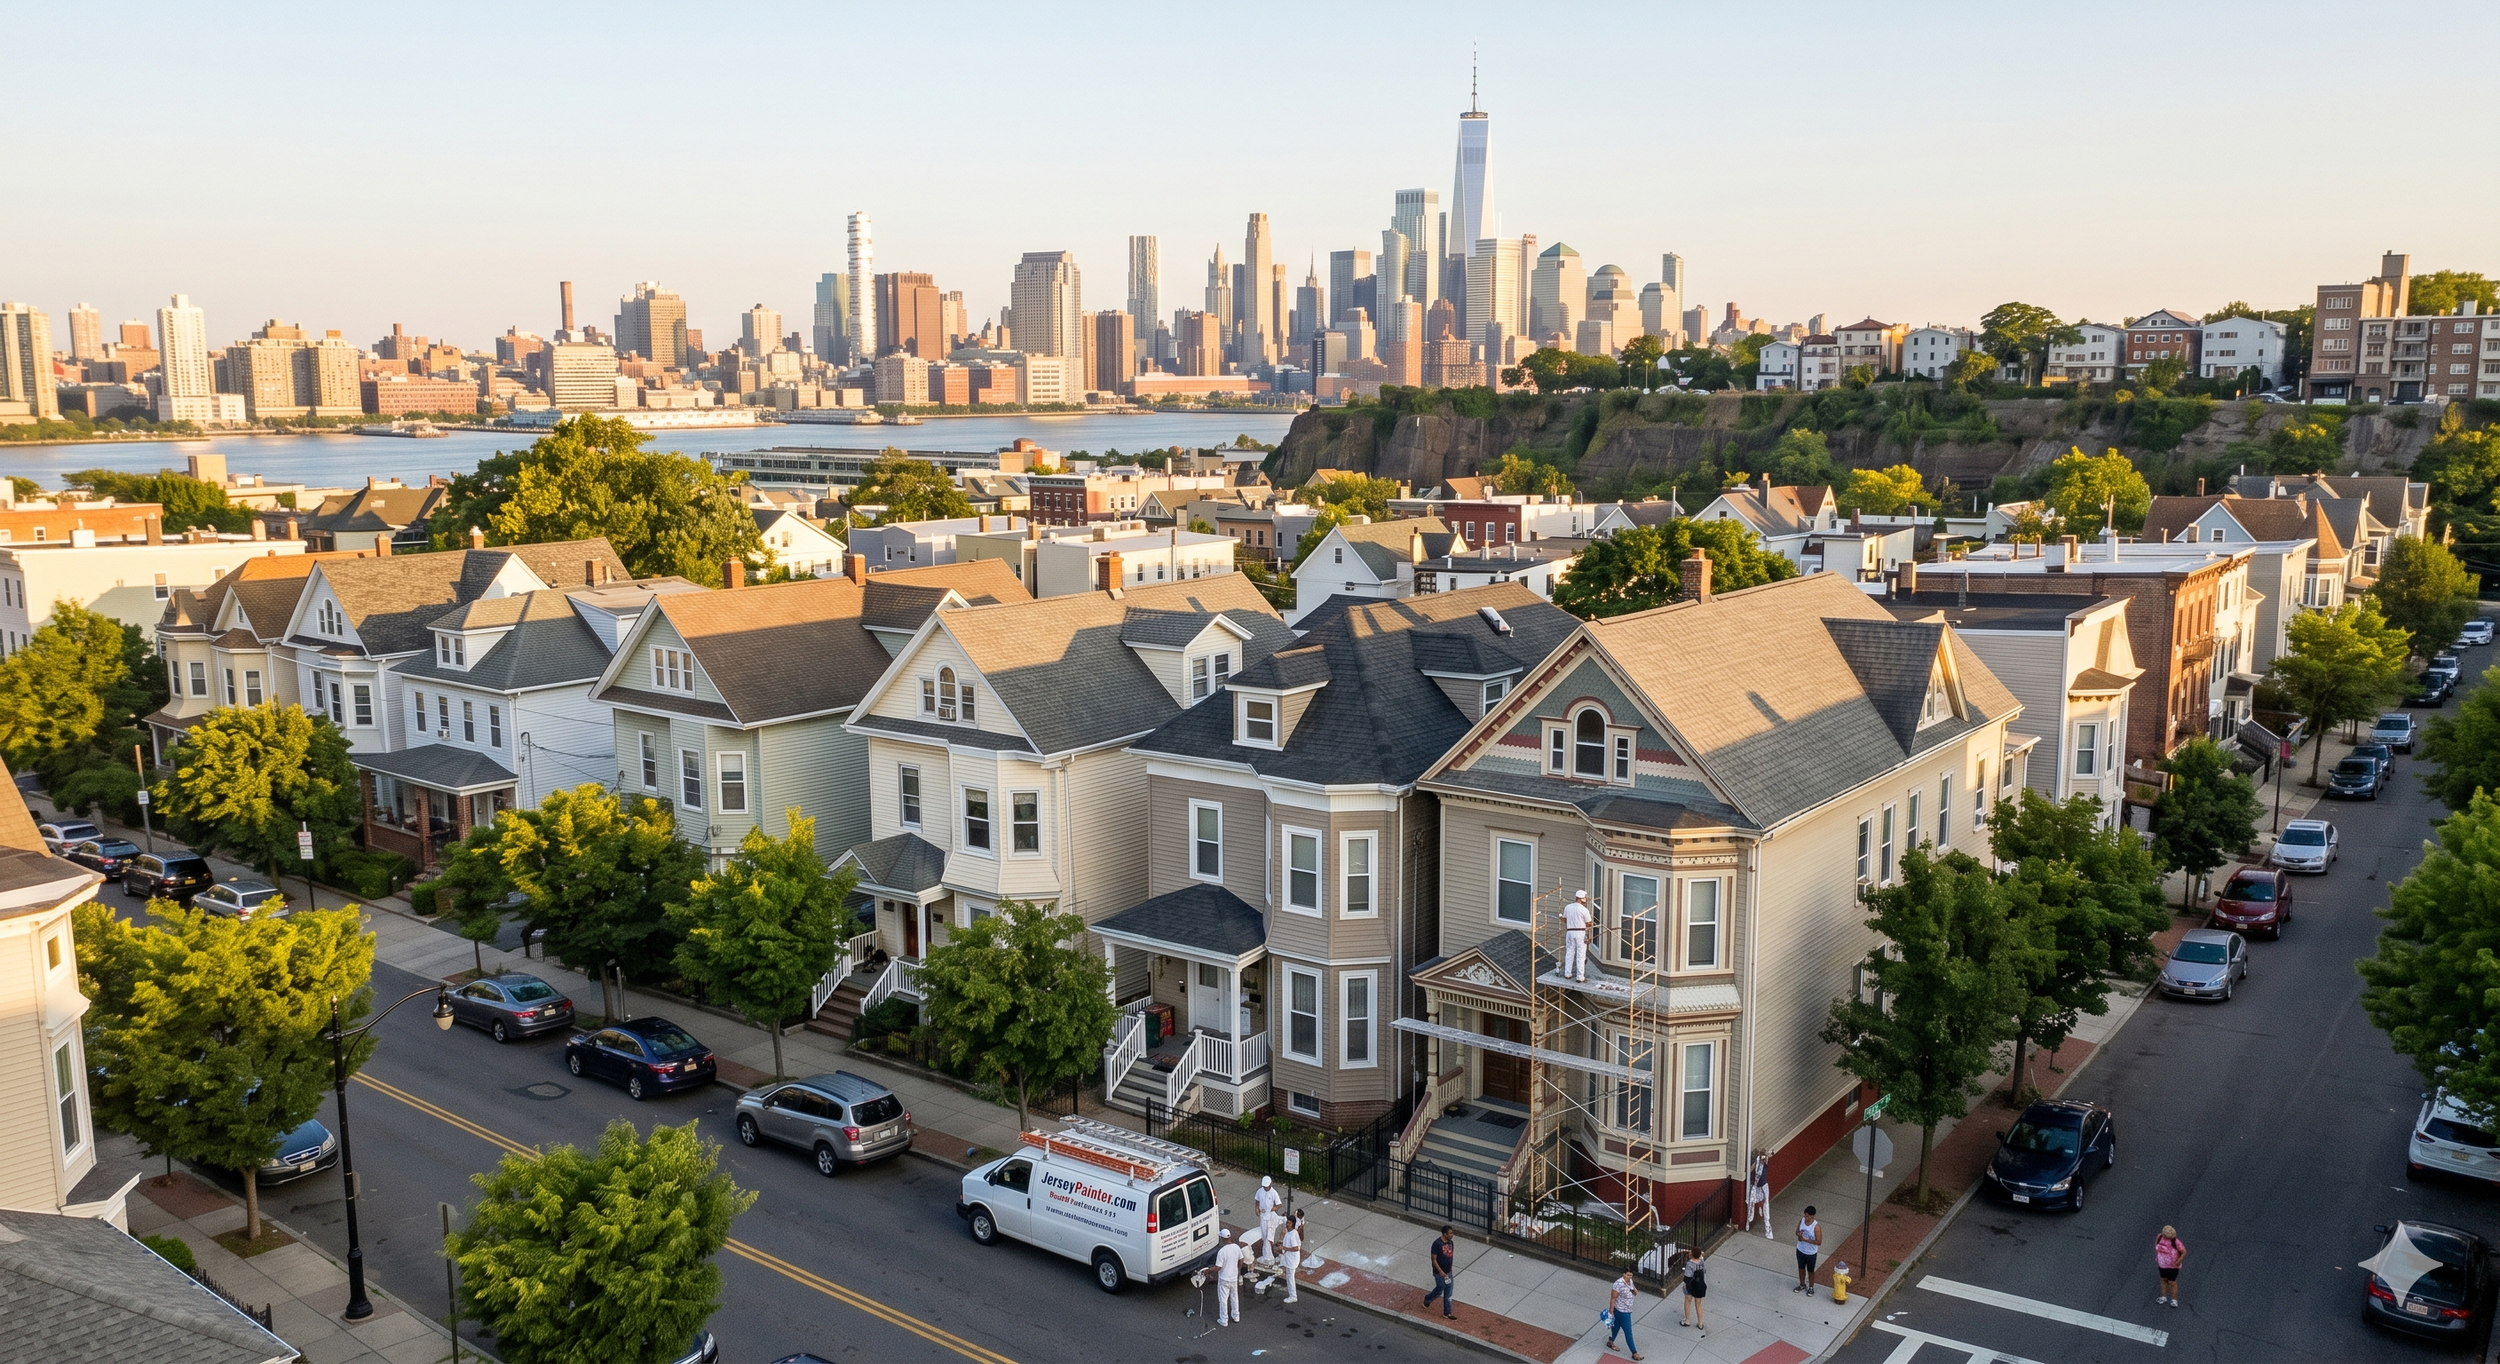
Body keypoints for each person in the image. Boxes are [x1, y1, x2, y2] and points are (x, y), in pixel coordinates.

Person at [1603, 1269, 1643, 1358]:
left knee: (1616, 1327)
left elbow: (1633, 1289)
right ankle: (1634, 1353)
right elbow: (1613, 1298)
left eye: (1631, 1275)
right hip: (1622, 1312)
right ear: (1624, 1274)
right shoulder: (1618, 1284)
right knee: (1628, 1332)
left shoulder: (1630, 1281)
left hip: (1627, 1310)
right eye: (1628, 1275)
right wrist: (1611, 1311)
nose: (1629, 1277)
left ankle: (1611, 1341)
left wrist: (1634, 1291)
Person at [1422, 1225, 1457, 1318]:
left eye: (1452, 1233)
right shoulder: (1437, 1244)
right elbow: (1434, 1259)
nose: (1452, 1235)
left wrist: (1450, 1268)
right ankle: (1428, 1299)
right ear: (1444, 1234)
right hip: (1439, 1272)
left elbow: (1450, 1256)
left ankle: (1447, 1312)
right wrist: (1440, 1271)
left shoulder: (1451, 1243)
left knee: (1449, 1292)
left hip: (1448, 1272)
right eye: (1450, 1233)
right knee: (1440, 1289)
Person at [1213, 1227, 1245, 1326]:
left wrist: (1209, 1270)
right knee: (1234, 1297)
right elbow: (1241, 1259)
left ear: (1222, 1238)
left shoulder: (1222, 1251)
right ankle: (1236, 1316)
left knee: (1223, 1299)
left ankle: (1224, 1320)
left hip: (1224, 1279)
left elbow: (1218, 1267)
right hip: (1233, 1277)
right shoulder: (1236, 1247)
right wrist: (1238, 1269)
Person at [1562, 890, 1593, 982]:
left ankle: (1567, 973)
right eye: (1585, 898)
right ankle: (1580, 977)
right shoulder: (1584, 910)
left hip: (1570, 932)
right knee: (1580, 954)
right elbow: (1588, 923)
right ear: (1581, 898)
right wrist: (1590, 923)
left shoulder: (1568, 907)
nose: (1585, 900)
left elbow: (1565, 919)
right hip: (1580, 932)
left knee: (1569, 952)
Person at [2154, 1226, 2186, 1308]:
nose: (2166, 1237)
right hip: (2162, 1265)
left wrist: (2179, 1261)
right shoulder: (2159, 1237)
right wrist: (2158, 1256)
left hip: (2172, 1266)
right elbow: (2156, 1246)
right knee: (2163, 1280)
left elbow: (2183, 1252)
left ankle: (2174, 1300)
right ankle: (2163, 1297)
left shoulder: (2176, 1242)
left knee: (2172, 1282)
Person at [1254, 1175, 1284, 1265]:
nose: (1265, 1188)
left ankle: (1268, 1258)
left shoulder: (1273, 1193)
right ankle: (1267, 1255)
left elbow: (1278, 1204)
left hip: (1270, 1217)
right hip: (1263, 1216)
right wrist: (1257, 1209)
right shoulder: (1260, 1191)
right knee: (1264, 1236)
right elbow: (1257, 1200)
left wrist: (1273, 1209)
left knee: (1268, 1238)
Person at [1745, 1151, 1773, 1239]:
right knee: (1751, 1203)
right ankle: (1748, 1221)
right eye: (1762, 1156)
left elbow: (1771, 1154)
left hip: (1763, 1186)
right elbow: (1750, 1170)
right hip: (1756, 1186)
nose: (1763, 1158)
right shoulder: (1756, 1162)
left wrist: (1767, 1155)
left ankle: (1768, 1227)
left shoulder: (1765, 1163)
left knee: (1766, 1205)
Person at [1280, 1210, 1306, 1303]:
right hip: (1289, 1258)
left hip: (1292, 1260)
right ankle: (1291, 1294)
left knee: (1290, 1277)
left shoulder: (1293, 1235)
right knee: (1289, 1276)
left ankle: (1293, 1296)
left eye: (1289, 1223)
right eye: (1287, 1222)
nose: (1287, 1224)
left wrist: (1284, 1248)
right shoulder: (1289, 1232)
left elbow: (1296, 1248)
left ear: (1293, 1224)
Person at [1794, 1206, 1821, 1293]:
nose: (1806, 1218)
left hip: (1811, 1253)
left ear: (1813, 1216)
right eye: (1805, 1216)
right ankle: (1802, 1284)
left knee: (1810, 1270)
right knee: (1801, 1268)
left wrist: (1807, 1240)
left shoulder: (1816, 1227)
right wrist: (1799, 1234)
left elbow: (1819, 1242)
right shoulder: (1801, 1221)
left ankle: (1811, 1287)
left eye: (1808, 1216)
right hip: (1800, 1249)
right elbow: (1796, 1232)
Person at [1682, 1248, 1708, 1328]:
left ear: (1691, 1255)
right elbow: (1701, 1256)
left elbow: (1687, 1277)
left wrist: (1685, 1284)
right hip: (1700, 1285)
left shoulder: (1689, 1264)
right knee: (1698, 1304)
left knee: (1688, 1301)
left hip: (1691, 1286)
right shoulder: (1701, 1261)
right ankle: (1700, 1323)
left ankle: (1687, 1320)